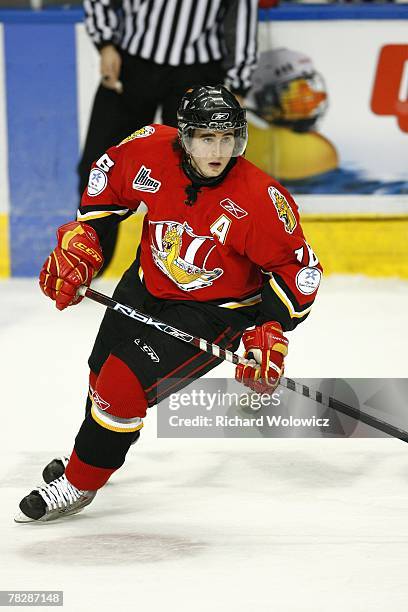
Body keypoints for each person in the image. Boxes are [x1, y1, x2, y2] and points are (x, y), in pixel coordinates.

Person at [15, 85, 322, 523]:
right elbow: (105, 195)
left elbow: (299, 272)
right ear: (184, 136)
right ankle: (92, 455)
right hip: (145, 284)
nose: (218, 151)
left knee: (121, 384)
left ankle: (81, 483)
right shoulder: (148, 150)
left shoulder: (259, 199)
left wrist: (268, 330)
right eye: (205, 138)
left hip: (215, 312)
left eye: (228, 138)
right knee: (101, 372)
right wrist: (83, 244)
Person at [80, 0, 259, 271]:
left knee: (196, 175)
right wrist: (105, 44)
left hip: (197, 72)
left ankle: (184, 265)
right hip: (131, 63)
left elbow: (242, 16)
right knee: (100, 163)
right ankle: (85, 259)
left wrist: (239, 83)